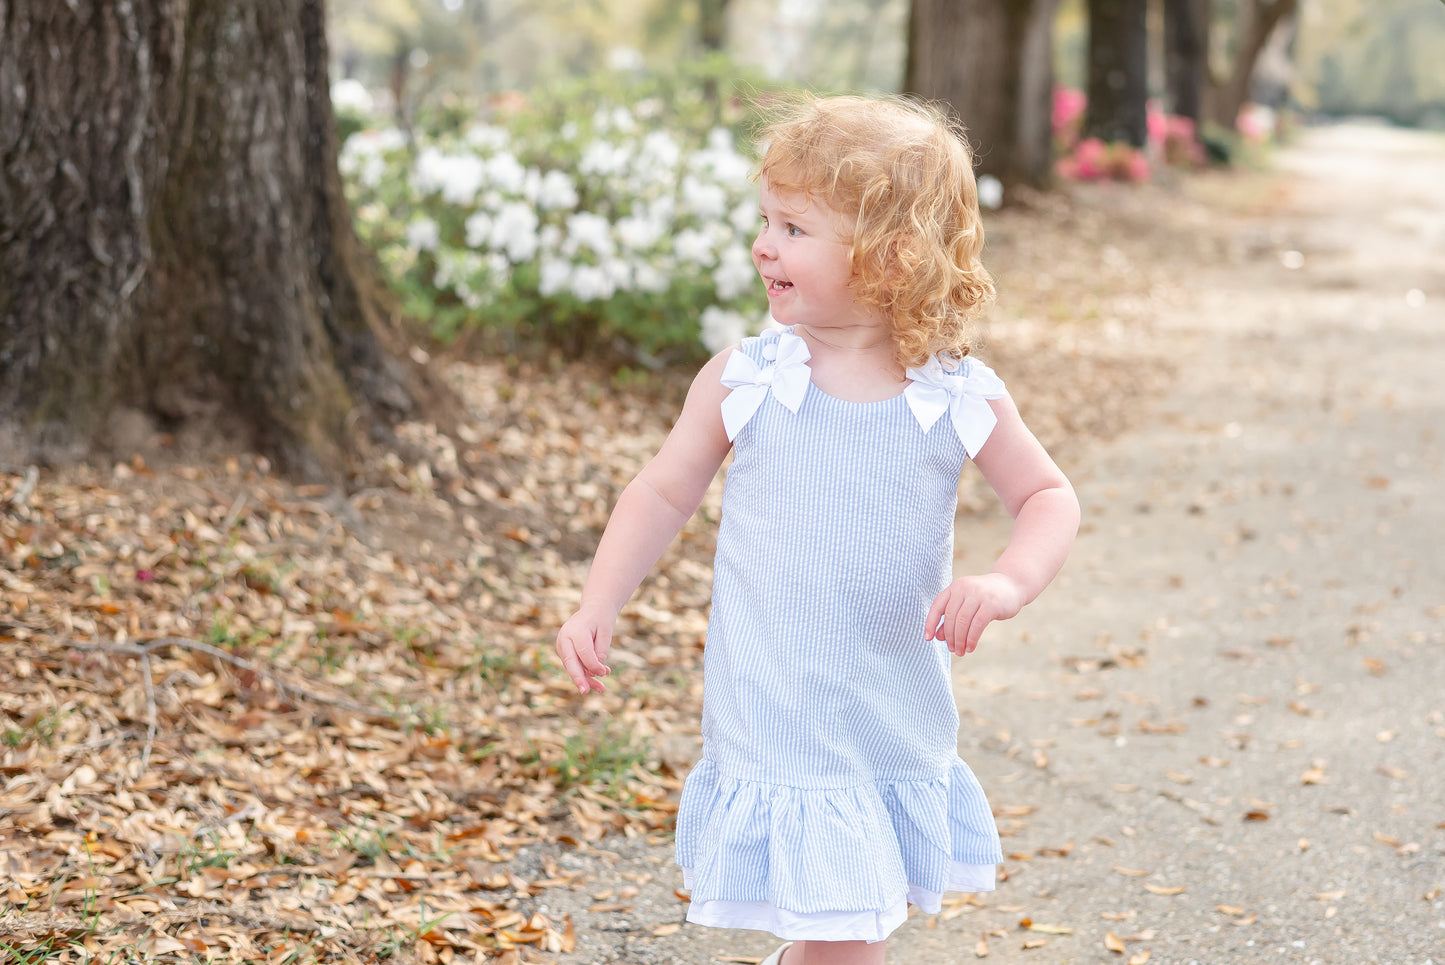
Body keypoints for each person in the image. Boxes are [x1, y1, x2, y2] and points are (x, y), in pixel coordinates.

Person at [555, 93, 1079, 965]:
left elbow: (1048, 496)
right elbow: (661, 491)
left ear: (891, 254)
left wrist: (1005, 582)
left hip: (889, 702)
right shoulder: (748, 378)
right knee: (846, 932)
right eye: (765, 220)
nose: (763, 245)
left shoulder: (952, 392)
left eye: (794, 227)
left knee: (847, 927)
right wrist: (597, 601)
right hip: (776, 700)